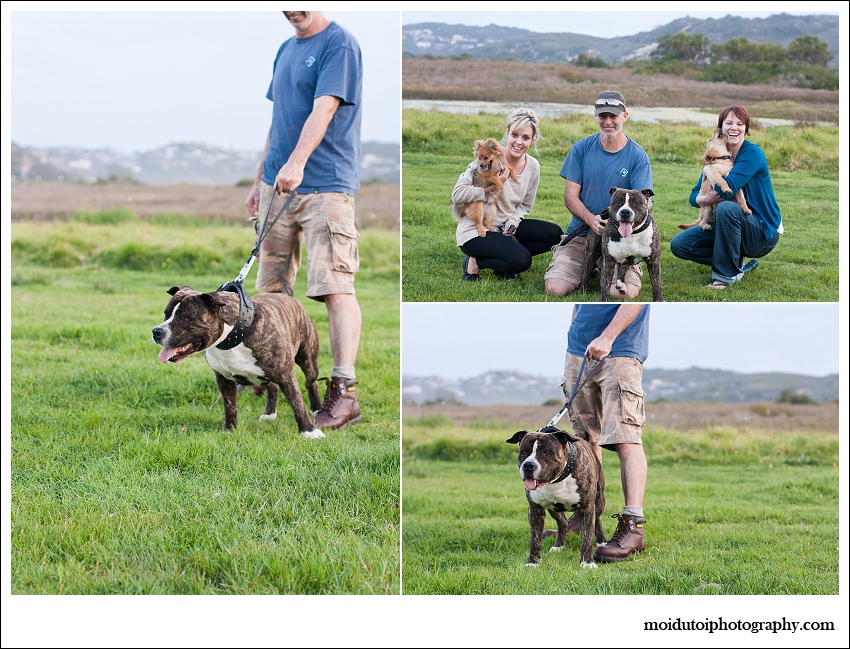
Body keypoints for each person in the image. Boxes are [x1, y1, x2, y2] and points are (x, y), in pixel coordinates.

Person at [244, 11, 363, 430]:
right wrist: (262, 177)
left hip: (325, 187)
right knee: (270, 291)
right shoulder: (285, 49)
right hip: (278, 186)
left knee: (334, 286)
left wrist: (296, 163)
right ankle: (268, 379)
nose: (292, 9)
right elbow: (278, 122)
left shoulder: (339, 44)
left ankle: (344, 393)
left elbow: (324, 108)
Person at [560, 303, 649, 562]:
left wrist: (608, 336)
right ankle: (586, 515)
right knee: (584, 441)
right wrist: (574, 332)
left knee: (626, 438)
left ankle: (633, 527)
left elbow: (637, 299)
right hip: (578, 351)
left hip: (619, 351)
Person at [544, 90, 653, 299]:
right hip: (582, 234)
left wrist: (620, 225)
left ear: (625, 116)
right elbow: (570, 196)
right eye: (603, 116)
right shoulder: (582, 148)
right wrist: (590, 220)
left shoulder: (638, 156)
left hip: (621, 240)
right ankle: (584, 262)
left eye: (613, 116)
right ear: (596, 116)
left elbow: (646, 204)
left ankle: (615, 267)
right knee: (555, 289)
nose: (608, 121)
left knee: (623, 293)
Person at [670, 105, 782, 289]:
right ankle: (734, 260)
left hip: (761, 232)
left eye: (739, 123)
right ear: (721, 126)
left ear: (746, 128)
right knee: (680, 244)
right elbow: (693, 197)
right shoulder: (718, 155)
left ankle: (724, 276)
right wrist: (704, 200)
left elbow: (726, 190)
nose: (734, 127)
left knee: (727, 207)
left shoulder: (752, 154)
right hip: (730, 225)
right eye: (728, 122)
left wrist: (708, 169)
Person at [452, 108, 562, 281]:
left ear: (533, 140)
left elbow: (525, 205)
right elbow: (457, 195)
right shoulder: (488, 158)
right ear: (507, 134)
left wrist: (512, 222)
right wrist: (492, 188)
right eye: (515, 135)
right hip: (475, 231)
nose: (519, 142)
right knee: (521, 261)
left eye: (525, 137)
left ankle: (503, 255)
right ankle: (475, 261)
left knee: (554, 234)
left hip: (505, 228)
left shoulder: (533, 166)